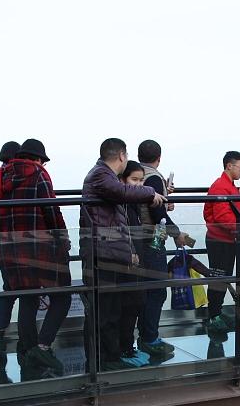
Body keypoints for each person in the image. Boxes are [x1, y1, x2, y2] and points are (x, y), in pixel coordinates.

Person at [0, 138, 71, 376]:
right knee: (63, 296)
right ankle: (42, 346)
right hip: (38, 248)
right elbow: (51, 210)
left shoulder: (1, 177)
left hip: (8, 248)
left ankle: (29, 350)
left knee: (28, 298)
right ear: (37, 159)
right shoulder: (39, 174)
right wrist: (62, 240)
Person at [79, 138, 164, 370]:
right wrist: (150, 192)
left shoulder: (102, 175)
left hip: (108, 250)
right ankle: (99, 362)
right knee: (102, 311)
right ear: (122, 156)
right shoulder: (100, 174)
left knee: (111, 309)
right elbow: (120, 192)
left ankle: (110, 357)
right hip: (101, 252)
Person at [136, 139, 190, 359]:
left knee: (145, 290)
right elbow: (158, 214)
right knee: (157, 290)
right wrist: (177, 233)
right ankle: (150, 338)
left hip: (136, 238)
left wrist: (165, 195)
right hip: (152, 240)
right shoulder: (154, 177)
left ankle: (144, 335)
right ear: (159, 157)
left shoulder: (136, 175)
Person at [0, 140, 23, 355]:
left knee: (9, 289)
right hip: (23, 242)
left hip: (1, 243)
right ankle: (27, 339)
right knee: (28, 292)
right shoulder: (21, 176)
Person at [204, 151, 240, 332]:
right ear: (229, 166)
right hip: (220, 241)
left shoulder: (229, 185)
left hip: (225, 240)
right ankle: (213, 316)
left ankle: (217, 312)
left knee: (222, 278)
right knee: (219, 279)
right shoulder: (221, 187)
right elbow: (222, 216)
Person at [116, 161, 153, 367]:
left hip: (136, 258)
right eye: (134, 180)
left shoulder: (133, 203)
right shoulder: (122, 204)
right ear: (122, 181)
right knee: (129, 305)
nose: (138, 185)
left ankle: (129, 347)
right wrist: (130, 252)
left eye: (141, 181)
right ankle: (125, 349)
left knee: (137, 303)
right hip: (128, 260)